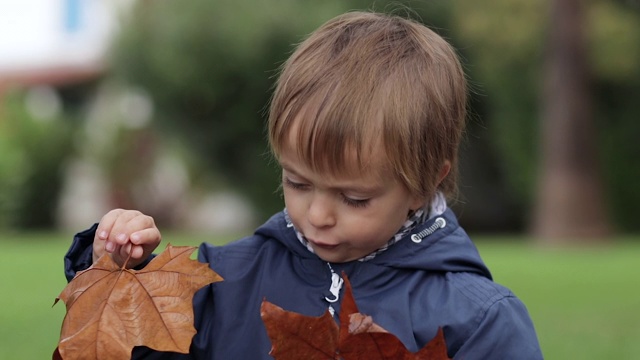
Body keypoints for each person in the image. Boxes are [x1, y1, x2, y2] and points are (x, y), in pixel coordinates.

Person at [63, 11, 543, 359]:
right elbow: (135, 348)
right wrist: (118, 270)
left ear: (423, 184)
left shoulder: (476, 320)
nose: (318, 216)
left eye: (355, 198)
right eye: (297, 182)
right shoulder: (224, 281)